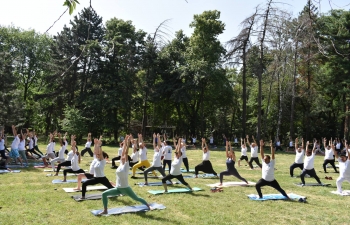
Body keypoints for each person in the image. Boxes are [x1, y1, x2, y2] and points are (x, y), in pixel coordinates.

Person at [99, 135, 152, 215]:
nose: (122, 157)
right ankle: (105, 210)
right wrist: (125, 143)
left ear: (126, 158)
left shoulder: (126, 165)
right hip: (118, 188)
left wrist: (127, 143)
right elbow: (123, 152)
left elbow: (126, 152)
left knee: (136, 198)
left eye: (124, 157)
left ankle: (148, 205)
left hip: (126, 188)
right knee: (104, 194)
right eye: (122, 157)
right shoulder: (120, 164)